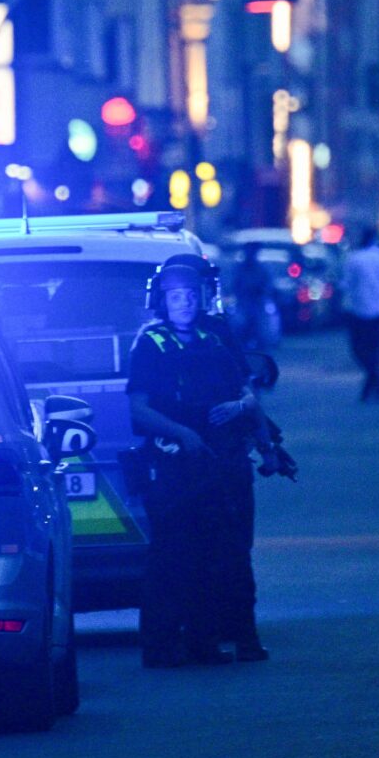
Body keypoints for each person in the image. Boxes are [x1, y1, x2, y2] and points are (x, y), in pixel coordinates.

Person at [126, 259, 269, 667]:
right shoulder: (150, 344)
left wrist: (239, 407)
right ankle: (161, 648)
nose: (185, 303)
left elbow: (247, 392)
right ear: (161, 301)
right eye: (175, 297)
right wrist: (182, 433)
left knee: (220, 557)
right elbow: (139, 410)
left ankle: (208, 643)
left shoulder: (213, 340)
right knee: (171, 560)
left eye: (190, 296)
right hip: (174, 469)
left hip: (217, 467)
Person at [340, 227, 379, 401]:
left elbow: (346, 285)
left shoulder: (353, 259)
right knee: (378, 349)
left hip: (358, 311)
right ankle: (376, 377)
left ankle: (373, 377)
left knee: (359, 349)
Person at [231, 242, 276, 350]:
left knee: (258, 325)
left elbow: (267, 285)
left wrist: (260, 292)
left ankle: (259, 346)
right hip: (243, 302)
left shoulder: (261, 269)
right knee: (241, 324)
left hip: (258, 303)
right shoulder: (239, 268)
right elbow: (234, 284)